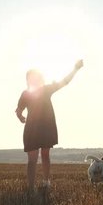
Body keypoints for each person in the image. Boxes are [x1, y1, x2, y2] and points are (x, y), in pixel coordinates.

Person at [15, 59, 84, 190]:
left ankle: (46, 183)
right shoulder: (25, 94)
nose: (34, 80)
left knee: (45, 155)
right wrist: (20, 117)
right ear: (28, 80)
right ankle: (31, 188)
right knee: (32, 159)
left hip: (46, 127)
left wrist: (75, 69)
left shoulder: (46, 89)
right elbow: (18, 110)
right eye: (31, 78)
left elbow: (65, 82)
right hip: (32, 129)